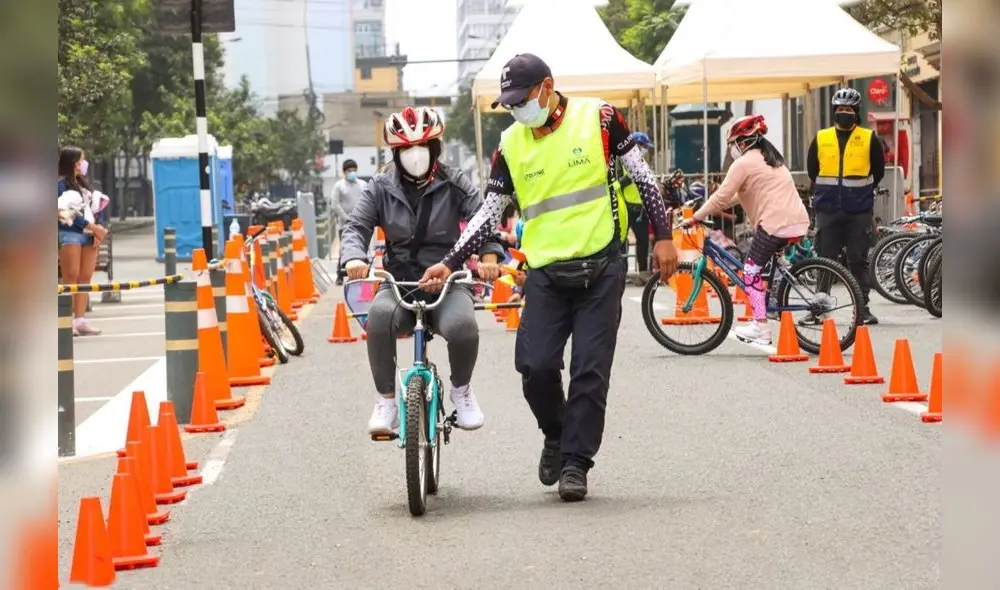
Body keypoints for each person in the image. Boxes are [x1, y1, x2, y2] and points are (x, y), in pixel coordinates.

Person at [418, 53, 679, 502]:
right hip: (545, 274)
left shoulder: (600, 119)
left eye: (522, 99)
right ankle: (555, 434)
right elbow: (489, 214)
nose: (517, 109)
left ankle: (576, 462)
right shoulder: (510, 146)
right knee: (534, 366)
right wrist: (451, 260)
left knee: (589, 371)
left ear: (547, 87)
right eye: (510, 104)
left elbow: (643, 177)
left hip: (601, 266)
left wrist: (664, 237)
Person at [340, 106, 505, 436]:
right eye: (406, 148)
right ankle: (386, 401)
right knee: (379, 319)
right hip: (399, 283)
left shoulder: (455, 182)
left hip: (448, 282)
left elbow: (484, 223)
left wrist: (489, 258)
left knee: (463, 327)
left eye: (422, 147)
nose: (415, 155)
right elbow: (356, 227)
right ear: (395, 152)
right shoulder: (379, 187)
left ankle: (462, 391)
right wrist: (354, 258)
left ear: (435, 148)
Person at [682, 114, 810, 345]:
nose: (732, 149)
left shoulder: (743, 164)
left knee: (750, 272)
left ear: (742, 142)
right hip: (797, 221)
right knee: (764, 270)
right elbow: (734, 197)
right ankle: (772, 299)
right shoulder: (771, 159)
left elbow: (721, 197)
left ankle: (761, 328)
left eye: (732, 144)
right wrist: (712, 208)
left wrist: (696, 217)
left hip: (774, 224)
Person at [806, 87, 885, 325]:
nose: (844, 112)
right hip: (828, 209)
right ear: (834, 111)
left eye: (849, 109)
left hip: (858, 210)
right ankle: (820, 308)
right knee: (825, 259)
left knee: (857, 259)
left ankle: (862, 309)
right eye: (841, 109)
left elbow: (878, 171)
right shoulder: (822, 137)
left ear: (856, 112)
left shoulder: (869, 138)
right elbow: (812, 170)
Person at [57, 146, 108, 337]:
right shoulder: (60, 185)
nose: (83, 163)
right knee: (70, 277)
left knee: (85, 278)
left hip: (90, 235)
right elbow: (61, 212)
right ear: (73, 162)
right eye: (81, 160)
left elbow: (95, 209)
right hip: (70, 233)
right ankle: (66, 321)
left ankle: (80, 320)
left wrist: (98, 229)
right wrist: (90, 225)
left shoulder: (84, 185)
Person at [613, 131, 655, 281]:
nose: (645, 149)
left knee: (643, 241)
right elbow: (616, 184)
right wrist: (627, 178)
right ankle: (621, 273)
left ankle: (643, 273)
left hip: (640, 209)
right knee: (621, 241)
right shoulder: (620, 162)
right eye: (643, 146)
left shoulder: (643, 164)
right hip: (625, 207)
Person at [331, 158, 363, 285]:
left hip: (361, 224)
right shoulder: (339, 186)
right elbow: (335, 205)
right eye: (349, 171)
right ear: (344, 172)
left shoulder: (362, 185)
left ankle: (359, 276)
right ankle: (340, 275)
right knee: (345, 250)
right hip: (345, 225)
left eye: (354, 170)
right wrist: (347, 218)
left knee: (361, 249)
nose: (352, 173)